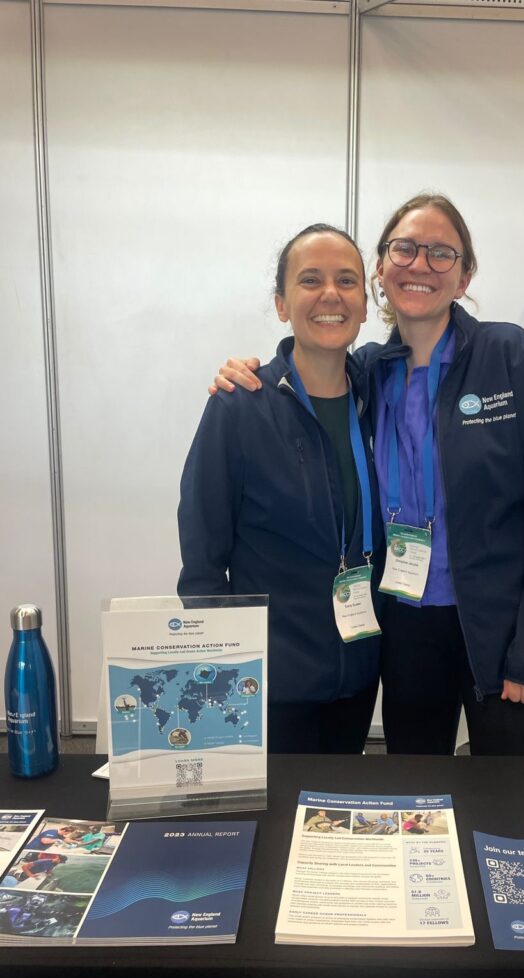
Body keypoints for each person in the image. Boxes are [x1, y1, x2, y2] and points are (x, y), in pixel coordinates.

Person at [209, 194, 524, 756]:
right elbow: (309, 380)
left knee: (512, 818)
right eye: (404, 249)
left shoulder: (514, 359)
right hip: (405, 630)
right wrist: (248, 371)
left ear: (464, 276)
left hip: (501, 634)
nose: (420, 265)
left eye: (441, 253)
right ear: (382, 271)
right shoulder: (368, 375)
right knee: (417, 802)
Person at [178, 225, 384, 754]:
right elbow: (203, 561)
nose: (330, 295)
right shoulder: (240, 405)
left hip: (359, 674)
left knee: (335, 821)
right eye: (310, 280)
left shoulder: (380, 398)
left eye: (347, 281)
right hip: (268, 687)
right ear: (281, 304)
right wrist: (225, 669)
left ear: (365, 304)